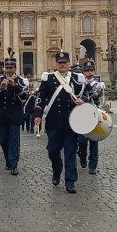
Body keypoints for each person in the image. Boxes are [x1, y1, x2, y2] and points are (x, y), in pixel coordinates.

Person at [35, 51, 89, 193]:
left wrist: (82, 99)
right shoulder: (48, 79)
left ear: (69, 63)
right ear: (56, 64)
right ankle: (57, 169)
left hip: (71, 122)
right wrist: (38, 114)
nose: (62, 64)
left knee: (70, 152)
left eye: (65, 62)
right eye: (60, 62)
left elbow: (87, 92)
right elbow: (40, 97)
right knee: (53, 151)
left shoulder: (77, 78)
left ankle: (70, 181)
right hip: (54, 122)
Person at [0, 50, 29, 175]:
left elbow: (24, 98)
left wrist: (14, 86)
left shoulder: (22, 81)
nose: (9, 70)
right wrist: (0, 88)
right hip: (1, 116)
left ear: (15, 68)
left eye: (11, 68)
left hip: (15, 116)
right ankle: (7, 159)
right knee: (4, 140)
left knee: (14, 141)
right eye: (7, 67)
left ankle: (14, 164)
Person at [77, 60, 105, 175]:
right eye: (87, 71)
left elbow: (96, 96)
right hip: (81, 116)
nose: (89, 73)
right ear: (83, 72)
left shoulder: (98, 85)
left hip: (94, 115)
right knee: (82, 141)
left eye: (91, 70)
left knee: (94, 141)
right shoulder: (78, 84)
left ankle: (93, 165)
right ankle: (82, 157)